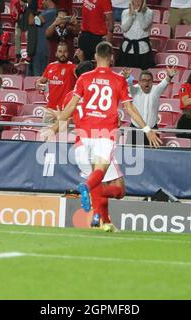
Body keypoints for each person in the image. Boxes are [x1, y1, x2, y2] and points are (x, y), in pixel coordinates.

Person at [44, 42, 162, 232]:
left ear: (96, 57)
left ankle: (101, 219)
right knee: (109, 182)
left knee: (97, 179)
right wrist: (147, 129)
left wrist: (54, 129)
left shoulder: (83, 78)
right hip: (104, 134)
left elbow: (71, 107)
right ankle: (86, 189)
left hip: (82, 140)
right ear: (112, 57)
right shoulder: (118, 80)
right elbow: (129, 108)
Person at [123, 67, 176, 145]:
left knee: (153, 155)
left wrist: (170, 76)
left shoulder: (156, 90)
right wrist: (128, 78)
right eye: (144, 80)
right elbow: (130, 85)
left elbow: (164, 83)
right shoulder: (135, 90)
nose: (146, 83)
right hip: (135, 130)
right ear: (139, 82)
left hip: (152, 130)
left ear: (152, 82)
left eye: (149, 81)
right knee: (130, 155)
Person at [36, 42, 76, 123]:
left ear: (68, 53)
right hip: (50, 109)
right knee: (45, 134)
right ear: (56, 53)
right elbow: (42, 80)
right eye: (60, 51)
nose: (62, 54)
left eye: (65, 51)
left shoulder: (73, 67)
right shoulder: (50, 66)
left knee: (63, 135)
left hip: (66, 110)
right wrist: (38, 83)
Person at [117, 0, 155, 70]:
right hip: (127, 48)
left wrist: (139, 12)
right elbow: (125, 28)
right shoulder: (125, 12)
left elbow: (144, 26)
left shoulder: (149, 12)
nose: (137, 1)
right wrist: (131, 15)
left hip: (142, 48)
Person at [28, 0, 58, 76]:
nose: (42, 2)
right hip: (43, 48)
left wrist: (31, 9)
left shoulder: (50, 13)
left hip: (41, 50)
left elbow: (31, 21)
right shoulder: (53, 12)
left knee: (39, 77)